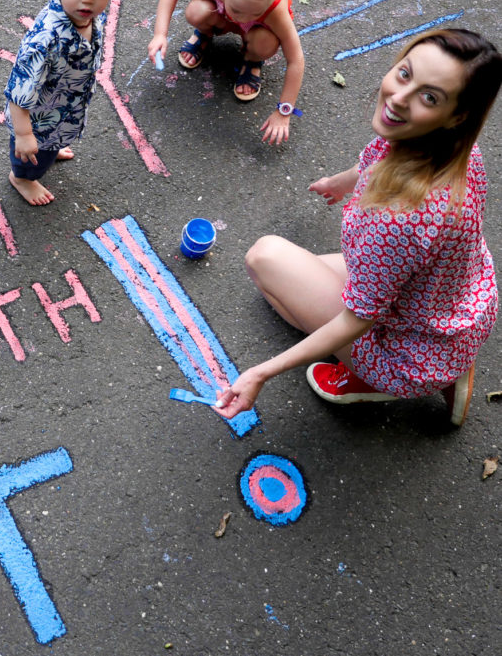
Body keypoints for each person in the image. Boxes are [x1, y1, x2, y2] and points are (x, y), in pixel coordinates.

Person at [214, 29, 502, 427]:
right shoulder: (458, 152)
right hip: (456, 307)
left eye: (429, 97)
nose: (400, 98)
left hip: (409, 351)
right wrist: (344, 181)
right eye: (405, 74)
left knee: (265, 260)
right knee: (292, 280)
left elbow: (357, 319)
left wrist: (261, 372)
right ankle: (452, 364)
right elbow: (380, 157)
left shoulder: (401, 219)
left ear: (457, 116)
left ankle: (381, 382)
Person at [5, 0, 136, 206]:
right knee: (32, 159)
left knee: (49, 150)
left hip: (63, 110)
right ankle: (23, 178)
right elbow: (18, 94)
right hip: (37, 122)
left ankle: (49, 150)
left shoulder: (87, 15)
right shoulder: (44, 41)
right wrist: (25, 136)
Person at [146, 0, 305, 145]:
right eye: (239, 10)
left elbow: (296, 60)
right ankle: (205, 34)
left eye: (255, 12)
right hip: (220, 16)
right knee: (196, 11)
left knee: (265, 43)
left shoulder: (275, 9)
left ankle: (252, 59)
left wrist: (285, 111)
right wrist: (160, 34)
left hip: (258, 32)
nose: (243, 17)